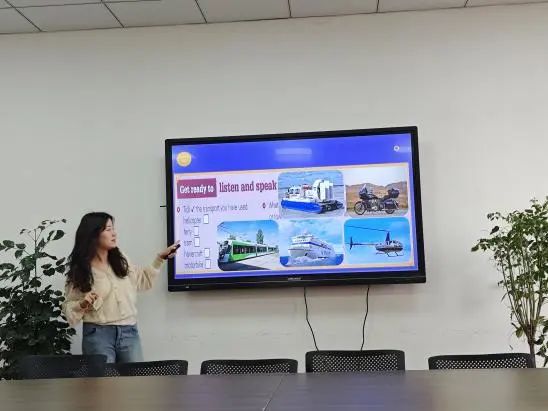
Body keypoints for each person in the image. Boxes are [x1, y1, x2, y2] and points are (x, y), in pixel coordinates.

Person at [62, 212, 178, 363]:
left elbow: (142, 281)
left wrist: (160, 259)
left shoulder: (121, 260)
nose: (114, 233)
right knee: (103, 378)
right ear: (94, 234)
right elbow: (68, 308)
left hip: (129, 331)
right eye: (108, 229)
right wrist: (83, 304)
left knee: (136, 377)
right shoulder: (81, 270)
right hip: (98, 334)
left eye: (113, 228)